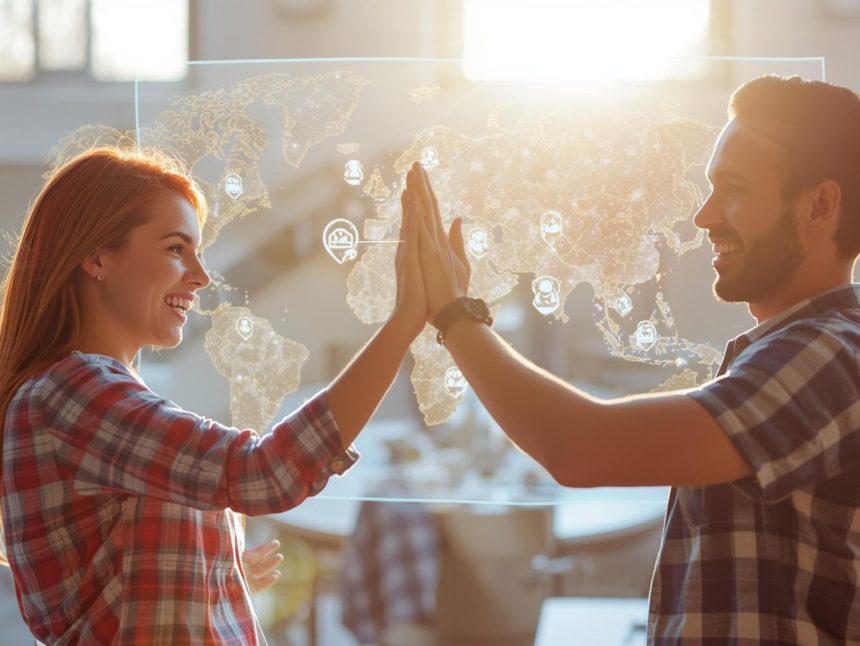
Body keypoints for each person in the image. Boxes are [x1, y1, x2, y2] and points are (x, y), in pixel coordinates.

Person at [405, 75, 860, 643]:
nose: (705, 216)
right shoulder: (795, 350)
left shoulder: (831, 355)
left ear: (820, 206)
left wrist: (452, 313)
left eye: (734, 189)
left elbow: (580, 450)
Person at [0, 146, 427, 644]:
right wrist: (406, 320)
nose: (201, 276)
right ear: (96, 257)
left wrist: (218, 570)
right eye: (175, 249)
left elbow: (116, 580)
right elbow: (264, 470)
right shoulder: (73, 394)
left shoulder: (82, 395)